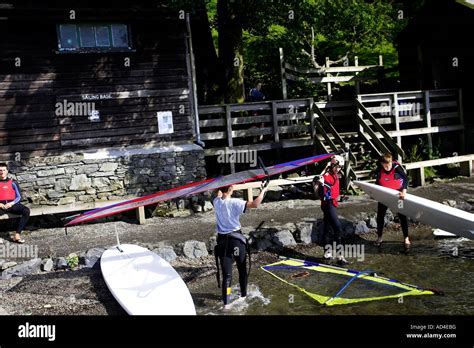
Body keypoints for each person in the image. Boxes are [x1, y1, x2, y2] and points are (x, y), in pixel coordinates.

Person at [213, 183, 268, 309]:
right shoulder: (235, 202)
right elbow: (255, 204)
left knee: (227, 275)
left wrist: (219, 192)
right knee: (241, 270)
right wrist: (263, 190)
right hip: (236, 242)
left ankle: (226, 304)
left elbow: (218, 195)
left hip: (222, 242)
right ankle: (243, 296)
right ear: (231, 189)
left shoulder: (216, 202)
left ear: (220, 190)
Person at [315, 155, 348, 265]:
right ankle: (340, 256)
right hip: (328, 204)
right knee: (338, 228)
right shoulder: (327, 175)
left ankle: (326, 253)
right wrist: (321, 177)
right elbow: (320, 178)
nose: (339, 169)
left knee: (327, 227)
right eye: (337, 167)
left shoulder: (334, 174)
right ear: (333, 164)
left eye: (340, 167)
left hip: (331, 204)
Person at [374, 153, 410, 248]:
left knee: (402, 215)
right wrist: (374, 193)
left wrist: (404, 191)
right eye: (385, 166)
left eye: (389, 165)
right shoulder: (379, 169)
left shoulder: (397, 167)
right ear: (382, 164)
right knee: (380, 216)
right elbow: (377, 182)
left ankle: (406, 238)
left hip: (398, 195)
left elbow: (406, 179)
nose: (388, 167)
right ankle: (379, 237)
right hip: (385, 195)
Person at [0, 163, 30, 243]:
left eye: (3, 170)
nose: (2, 172)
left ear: (7, 171)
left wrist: (11, 203)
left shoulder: (13, 182)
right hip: (1, 206)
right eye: (0, 170)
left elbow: (19, 197)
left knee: (26, 211)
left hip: (12, 204)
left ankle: (17, 235)